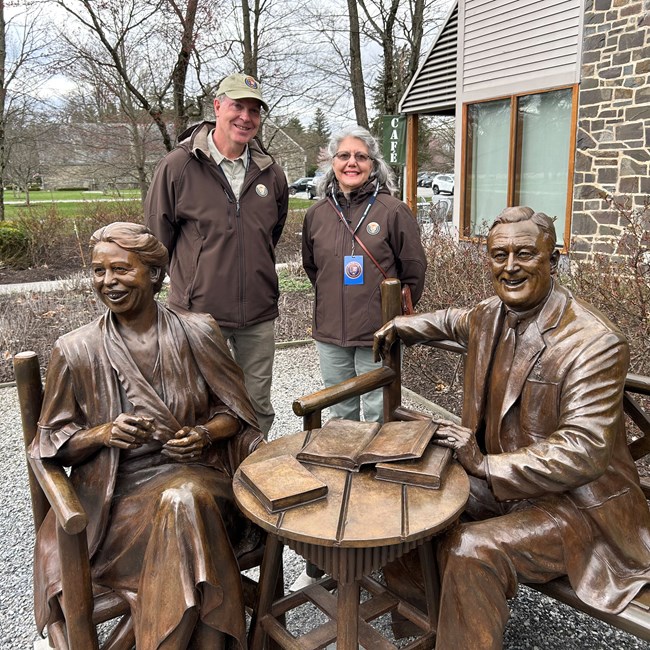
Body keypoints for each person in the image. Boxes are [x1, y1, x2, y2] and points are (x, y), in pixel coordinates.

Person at [374, 206, 650, 649]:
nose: (510, 267)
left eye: (525, 254)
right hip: (503, 486)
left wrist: (484, 463)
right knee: (410, 499)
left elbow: (583, 450)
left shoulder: (594, 341)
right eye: (498, 255)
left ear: (552, 260)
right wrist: (404, 324)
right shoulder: (490, 314)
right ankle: (423, 623)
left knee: (472, 549)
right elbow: (451, 320)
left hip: (577, 507)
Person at [30, 222, 264, 649]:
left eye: (121, 269)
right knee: (183, 505)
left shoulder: (198, 331)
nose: (108, 282)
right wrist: (103, 433)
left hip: (201, 476)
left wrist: (204, 434)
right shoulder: (76, 349)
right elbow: (50, 445)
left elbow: (236, 413)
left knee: (185, 498)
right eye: (99, 271)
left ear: (155, 275)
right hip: (114, 504)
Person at [145, 73, 288, 436]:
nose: (246, 117)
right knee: (196, 403)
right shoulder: (178, 166)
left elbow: (270, 234)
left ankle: (249, 471)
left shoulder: (271, 174)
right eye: (238, 106)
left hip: (257, 312)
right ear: (218, 107)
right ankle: (204, 478)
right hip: (198, 316)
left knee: (256, 403)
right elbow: (155, 243)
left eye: (255, 110)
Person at [302, 125, 427, 423]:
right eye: (343, 155)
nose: (352, 163)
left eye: (361, 156)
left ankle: (374, 467)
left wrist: (392, 316)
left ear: (374, 164)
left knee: (378, 410)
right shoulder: (317, 214)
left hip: (378, 333)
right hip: (331, 332)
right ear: (332, 163)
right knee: (340, 411)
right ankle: (344, 467)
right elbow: (313, 268)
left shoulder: (393, 210)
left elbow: (414, 271)